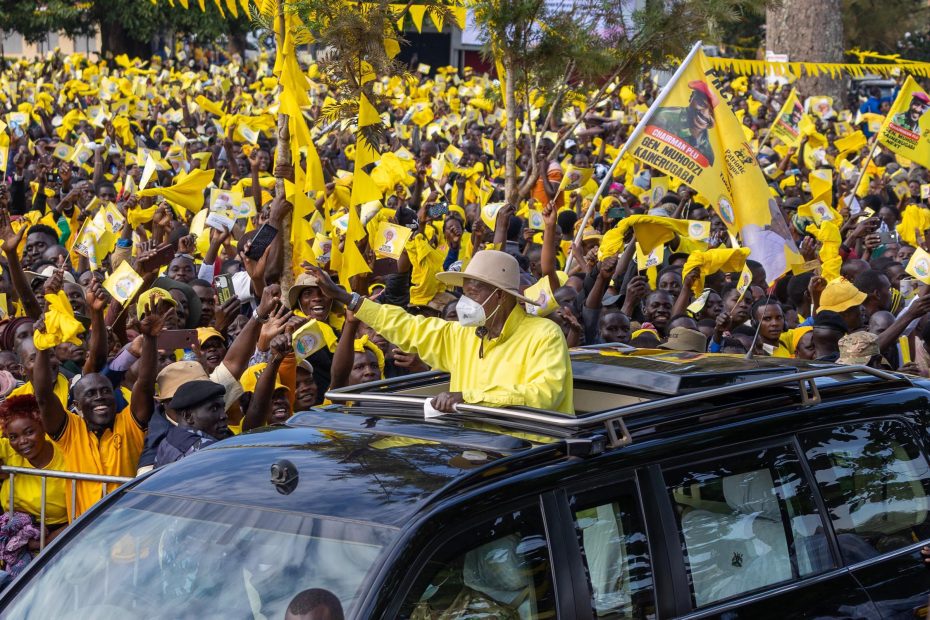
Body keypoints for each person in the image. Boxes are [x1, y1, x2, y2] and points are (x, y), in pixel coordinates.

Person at [305, 250, 574, 414]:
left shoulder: (544, 335)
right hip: (476, 452)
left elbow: (544, 395)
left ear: (502, 297)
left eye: (474, 292)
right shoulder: (463, 335)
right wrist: (348, 298)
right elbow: (408, 327)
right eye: (465, 292)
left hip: (530, 459)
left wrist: (469, 398)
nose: (465, 301)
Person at [154, 380, 228, 467]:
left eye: (223, 408)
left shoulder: (168, 440)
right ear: (188, 416)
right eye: (214, 409)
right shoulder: (207, 451)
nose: (224, 416)